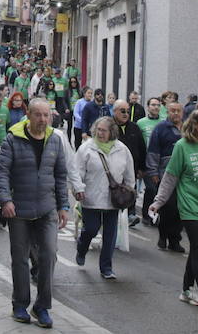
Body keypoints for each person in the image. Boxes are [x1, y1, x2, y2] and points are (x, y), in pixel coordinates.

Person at [0, 98, 69, 328]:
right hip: (19, 209)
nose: (43, 120)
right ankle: (20, 304)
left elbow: (60, 176)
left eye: (47, 115)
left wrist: (63, 206)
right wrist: (5, 200)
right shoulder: (12, 140)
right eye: (38, 115)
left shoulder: (55, 140)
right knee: (20, 259)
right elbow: (2, 173)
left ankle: (42, 307)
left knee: (49, 255)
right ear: (28, 115)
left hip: (46, 208)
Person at [149, 107, 198, 319]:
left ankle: (186, 290)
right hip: (190, 206)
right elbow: (170, 177)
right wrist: (158, 202)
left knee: (196, 249)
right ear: (194, 125)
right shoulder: (182, 147)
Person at [73, 116, 134, 280]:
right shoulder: (86, 148)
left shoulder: (122, 150)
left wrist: (129, 192)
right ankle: (82, 246)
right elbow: (77, 172)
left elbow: (129, 174)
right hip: (91, 198)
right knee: (91, 229)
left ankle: (106, 267)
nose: (100, 133)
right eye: (98, 129)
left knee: (110, 235)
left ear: (112, 132)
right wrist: (78, 189)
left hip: (114, 200)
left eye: (104, 130)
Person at [145, 100, 186, 253]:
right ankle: (163, 236)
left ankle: (175, 241)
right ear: (167, 112)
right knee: (167, 209)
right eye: (172, 110)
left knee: (180, 210)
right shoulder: (160, 129)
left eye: (178, 111)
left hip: (184, 178)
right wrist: (153, 173)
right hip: (165, 175)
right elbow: (153, 151)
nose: (176, 113)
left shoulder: (187, 128)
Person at [112, 100, 146, 227]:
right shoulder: (109, 126)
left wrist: (143, 167)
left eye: (127, 111)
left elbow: (142, 148)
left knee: (130, 190)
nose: (126, 114)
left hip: (132, 168)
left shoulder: (134, 128)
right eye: (122, 111)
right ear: (114, 111)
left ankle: (130, 214)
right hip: (114, 169)